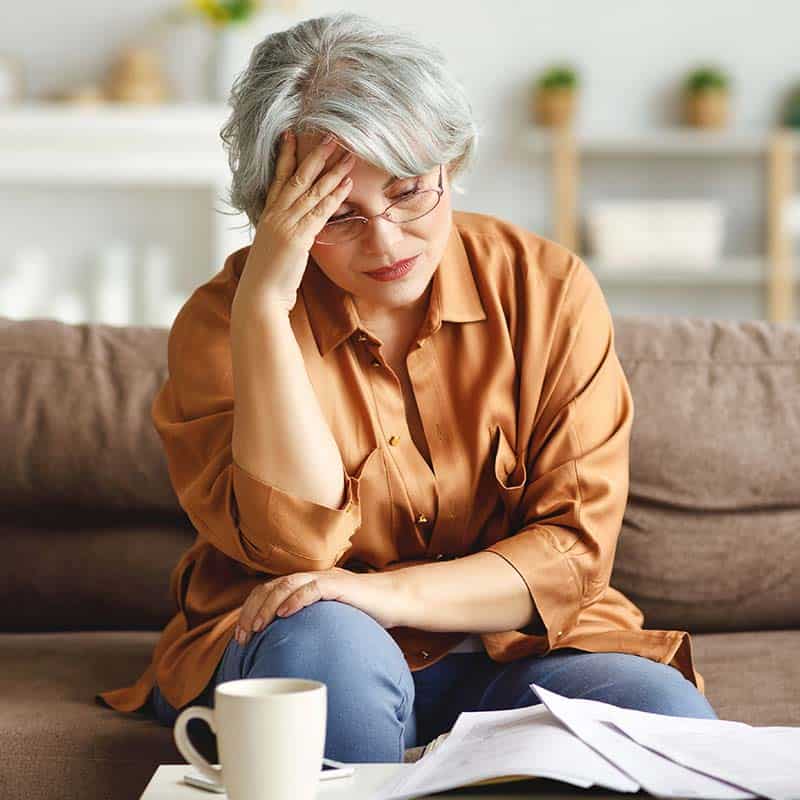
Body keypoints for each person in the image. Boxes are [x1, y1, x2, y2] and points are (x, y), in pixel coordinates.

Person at [96, 11, 718, 762]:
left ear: (451, 164)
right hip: (311, 644)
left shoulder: (548, 290)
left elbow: (573, 553)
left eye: (409, 192)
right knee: (328, 646)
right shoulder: (221, 322)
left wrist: (385, 595)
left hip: (512, 648)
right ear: (274, 217)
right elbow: (294, 553)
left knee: (663, 715)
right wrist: (266, 306)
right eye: (336, 216)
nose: (386, 243)